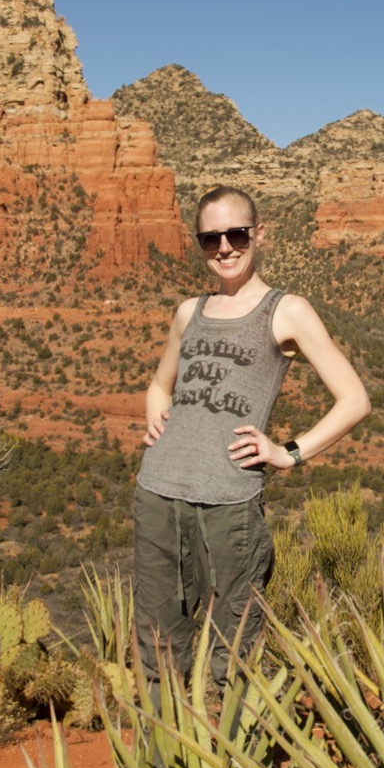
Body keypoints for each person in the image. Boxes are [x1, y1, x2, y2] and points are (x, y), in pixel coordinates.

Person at [135, 185, 370, 689]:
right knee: (157, 644)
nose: (224, 248)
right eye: (210, 238)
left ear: (258, 234)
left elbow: (354, 400)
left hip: (229, 500)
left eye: (236, 234)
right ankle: (161, 761)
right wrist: (157, 413)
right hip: (157, 492)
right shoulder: (187, 313)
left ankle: (226, 761)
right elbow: (160, 384)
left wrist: (286, 453)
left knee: (231, 647)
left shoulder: (286, 311)